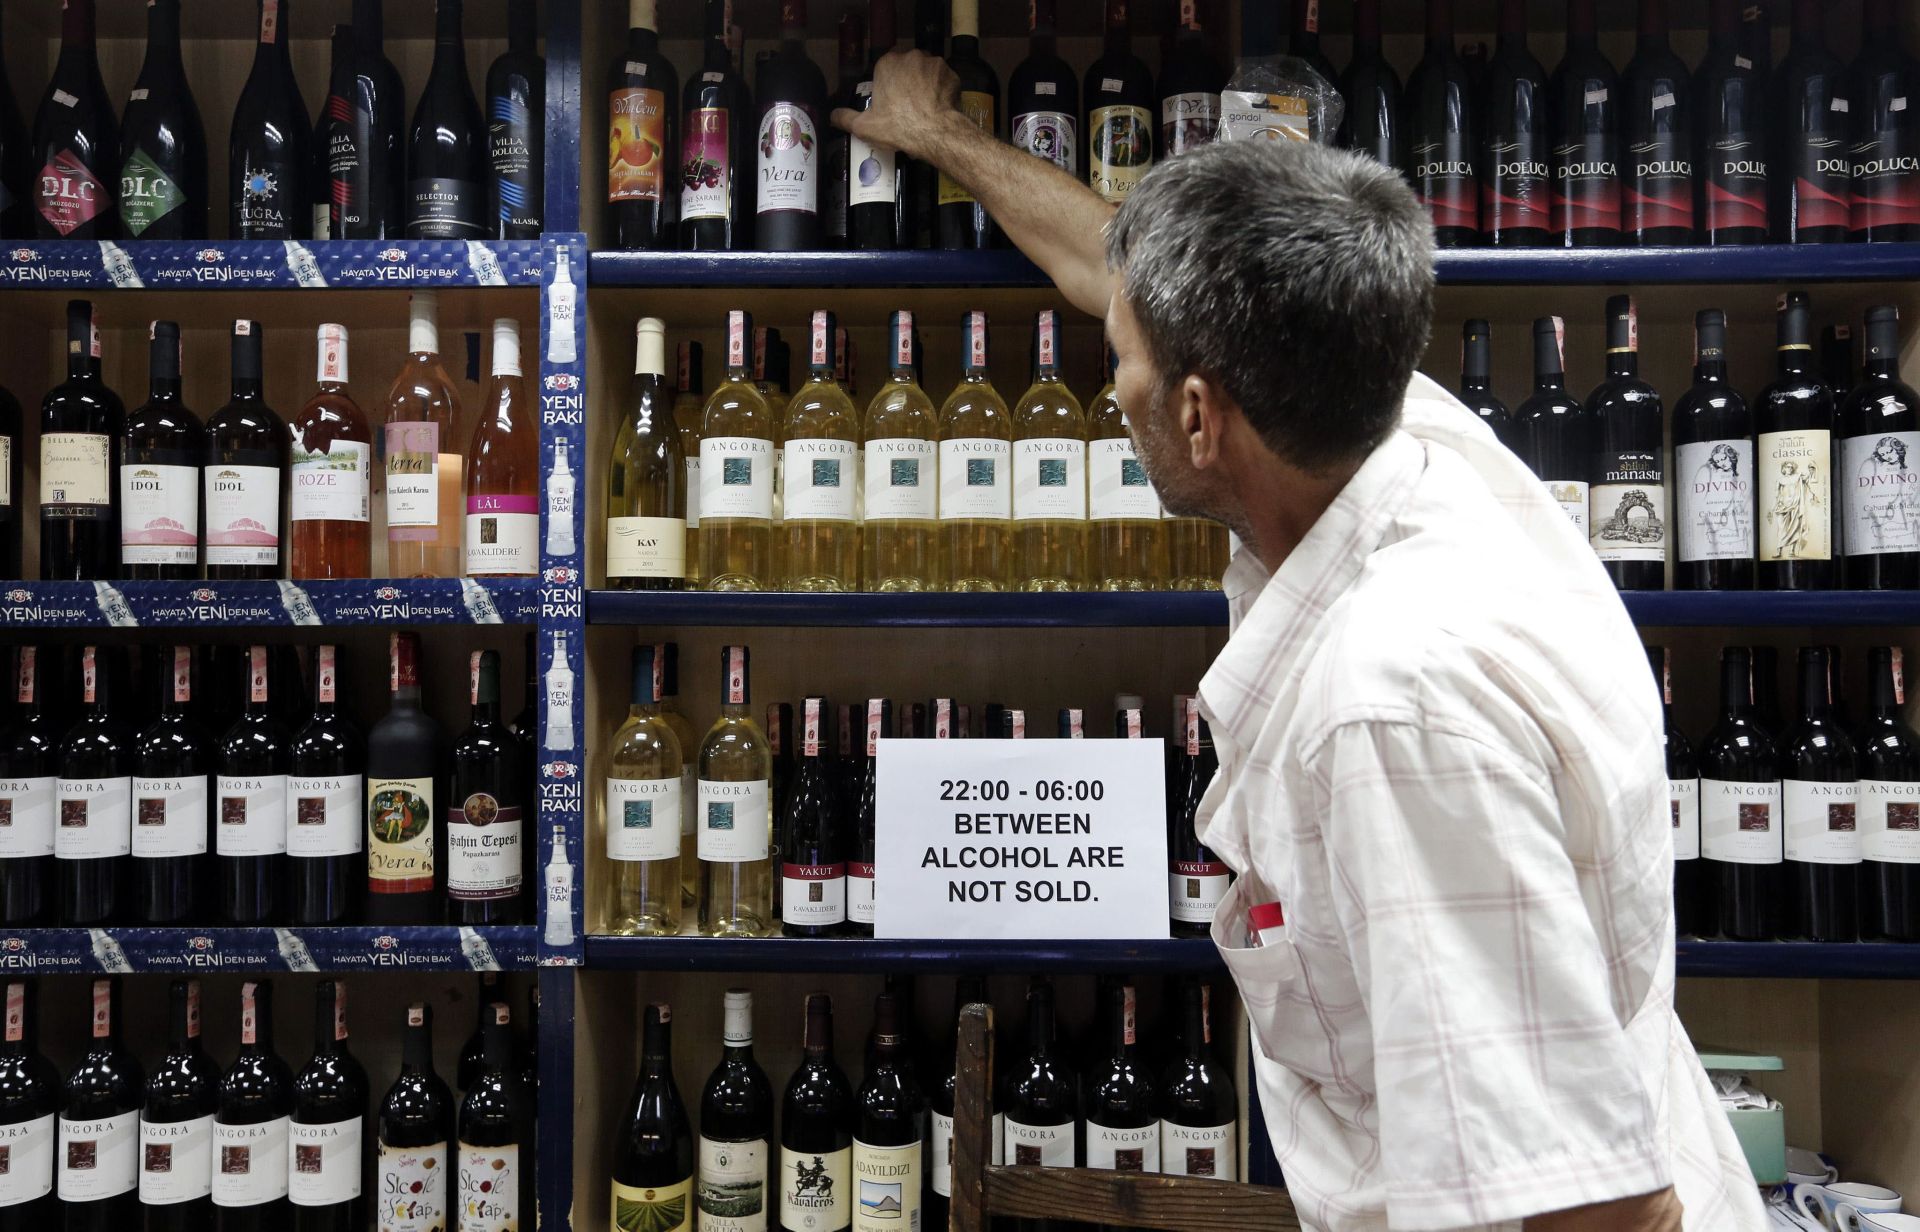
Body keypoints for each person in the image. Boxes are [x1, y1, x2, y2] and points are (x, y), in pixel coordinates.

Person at [835, 52, 1766, 1232]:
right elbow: (1116, 264)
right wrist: (943, 137)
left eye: (1122, 364)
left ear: (1195, 411)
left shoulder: (1391, 710)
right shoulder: (1381, 412)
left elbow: (1605, 1213)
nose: (1109, 384)